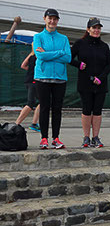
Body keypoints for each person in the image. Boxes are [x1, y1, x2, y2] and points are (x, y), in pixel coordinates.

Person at [70, 18, 110, 148]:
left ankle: (95, 137)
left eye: (98, 28)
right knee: (87, 110)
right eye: (94, 28)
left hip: (100, 84)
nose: (96, 30)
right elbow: (68, 58)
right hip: (85, 83)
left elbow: (109, 65)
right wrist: (79, 64)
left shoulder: (104, 46)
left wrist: (101, 78)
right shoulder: (80, 43)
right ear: (88, 29)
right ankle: (86, 137)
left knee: (97, 111)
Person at [33, 9, 71, 149]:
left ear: (57, 21)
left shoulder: (64, 38)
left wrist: (48, 53)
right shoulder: (38, 37)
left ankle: (56, 138)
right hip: (42, 78)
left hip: (60, 79)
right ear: (45, 19)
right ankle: (44, 138)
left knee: (57, 109)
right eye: (50, 18)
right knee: (44, 108)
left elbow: (68, 57)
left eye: (55, 19)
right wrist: (59, 53)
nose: (52, 21)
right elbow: (40, 56)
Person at [15, 46, 40, 132]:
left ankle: (34, 124)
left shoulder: (31, 56)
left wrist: (31, 70)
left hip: (29, 81)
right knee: (30, 103)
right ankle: (16, 124)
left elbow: (23, 65)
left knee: (42, 102)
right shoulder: (39, 57)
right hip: (33, 81)